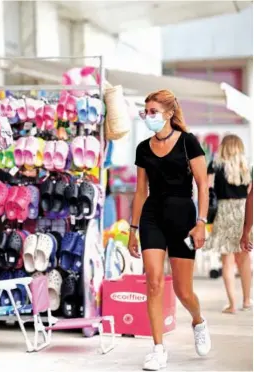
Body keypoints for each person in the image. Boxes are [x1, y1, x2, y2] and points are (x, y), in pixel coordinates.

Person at [127, 89, 210, 371]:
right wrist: (132, 228)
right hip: (152, 217)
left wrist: (201, 223)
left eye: (153, 111)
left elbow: (203, 185)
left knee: (184, 291)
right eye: (145, 111)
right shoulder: (142, 148)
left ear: (169, 113)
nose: (148, 116)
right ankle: (158, 349)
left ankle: (198, 321)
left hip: (184, 219)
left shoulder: (188, 143)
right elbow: (140, 192)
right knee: (153, 282)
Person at [206, 135, 252, 313]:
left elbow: (208, 190)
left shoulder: (215, 165)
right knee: (244, 258)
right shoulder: (246, 167)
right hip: (243, 210)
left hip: (224, 211)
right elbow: (250, 194)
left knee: (227, 261)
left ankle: (232, 304)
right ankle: (247, 300)